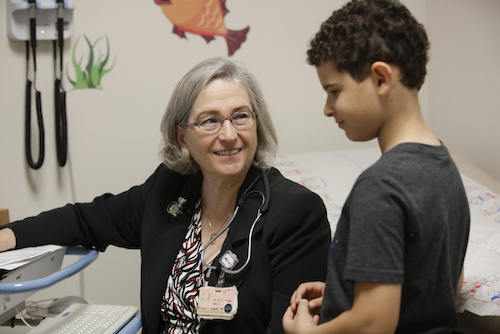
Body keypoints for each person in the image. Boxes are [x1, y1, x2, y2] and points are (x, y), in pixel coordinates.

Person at [0, 57, 331, 334]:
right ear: (182, 136)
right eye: (210, 121)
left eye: (241, 116)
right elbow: (87, 220)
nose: (229, 135)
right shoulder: (170, 188)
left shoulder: (296, 213)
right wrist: (10, 235)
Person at [282, 0, 470, 333]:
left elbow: (374, 324)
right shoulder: (445, 167)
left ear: (381, 78)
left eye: (334, 91)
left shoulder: (380, 188)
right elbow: (442, 285)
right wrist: (346, 289)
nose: (328, 108)